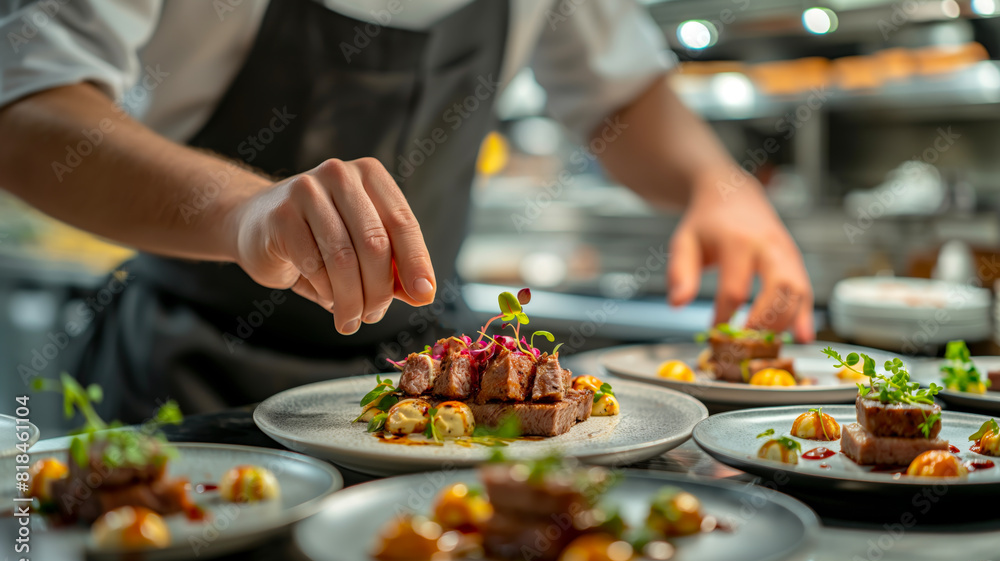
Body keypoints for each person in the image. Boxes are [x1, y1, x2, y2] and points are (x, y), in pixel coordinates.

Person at [0, 0, 813, 420]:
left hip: (431, 379)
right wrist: (247, 210)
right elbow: (26, 107)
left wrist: (718, 182)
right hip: (184, 375)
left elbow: (620, 93)